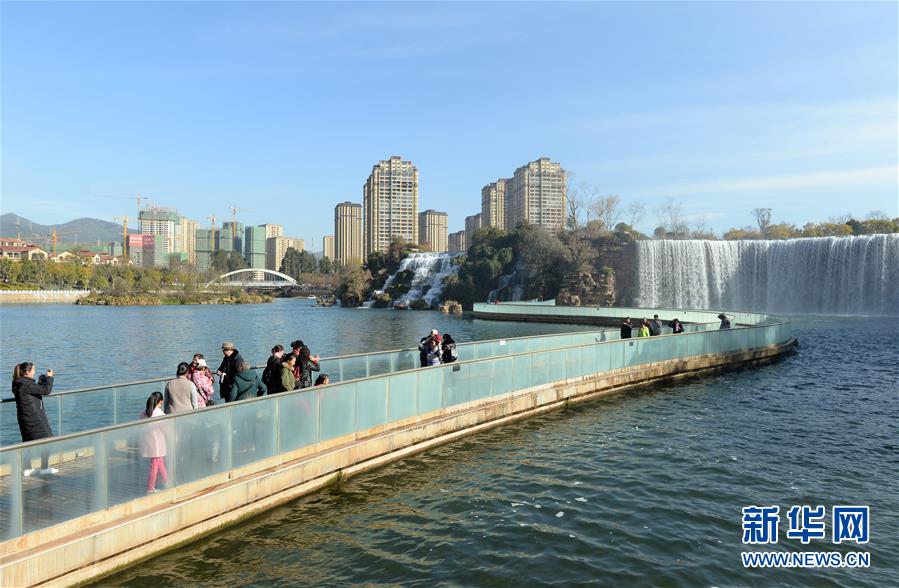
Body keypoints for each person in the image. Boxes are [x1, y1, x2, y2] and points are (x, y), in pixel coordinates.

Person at [12, 361, 57, 476]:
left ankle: (27, 469)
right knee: (48, 440)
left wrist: (42, 380)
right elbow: (46, 391)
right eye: (33, 371)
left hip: (24, 419)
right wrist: (50, 378)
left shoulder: (19, 383)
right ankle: (44, 468)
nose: (34, 372)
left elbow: (35, 389)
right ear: (27, 372)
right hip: (35, 418)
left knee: (28, 443)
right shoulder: (26, 384)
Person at [140, 391, 168, 493]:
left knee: (159, 461)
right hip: (157, 441)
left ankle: (167, 481)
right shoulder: (159, 413)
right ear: (160, 402)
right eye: (161, 403)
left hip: (147, 439)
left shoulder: (144, 412)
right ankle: (150, 488)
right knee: (155, 463)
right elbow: (165, 427)